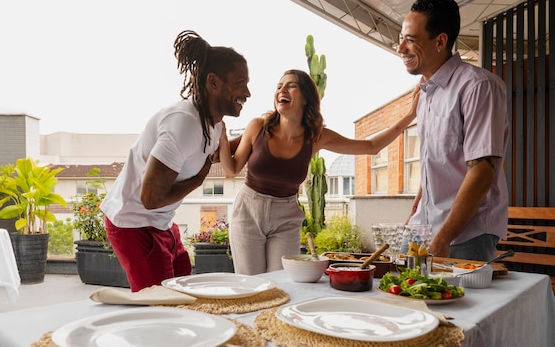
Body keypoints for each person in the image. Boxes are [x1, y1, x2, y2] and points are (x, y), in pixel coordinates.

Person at [218, 69, 420, 275]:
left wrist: (410, 115)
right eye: (279, 86)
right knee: (251, 283)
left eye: (290, 85)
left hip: (285, 216)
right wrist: (222, 136)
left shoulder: (316, 136)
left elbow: (371, 146)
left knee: (280, 281)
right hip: (248, 210)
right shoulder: (258, 126)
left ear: (306, 97)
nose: (282, 90)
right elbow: (231, 169)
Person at [100, 30, 250, 291]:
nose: (247, 92)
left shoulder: (212, 123)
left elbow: (206, 155)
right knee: (161, 305)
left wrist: (258, 136)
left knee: (184, 292)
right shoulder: (184, 123)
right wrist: (198, 181)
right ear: (213, 82)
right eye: (240, 83)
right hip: (134, 223)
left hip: (161, 222)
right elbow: (150, 198)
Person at [398, 0, 509, 261]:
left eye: (411, 39)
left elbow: (482, 172)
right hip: (421, 228)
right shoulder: (425, 93)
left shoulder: (479, 86)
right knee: (398, 298)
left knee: (457, 303)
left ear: (440, 41)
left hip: (464, 235)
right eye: (401, 38)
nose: (401, 48)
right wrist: (417, 208)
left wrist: (443, 237)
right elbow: (435, 161)